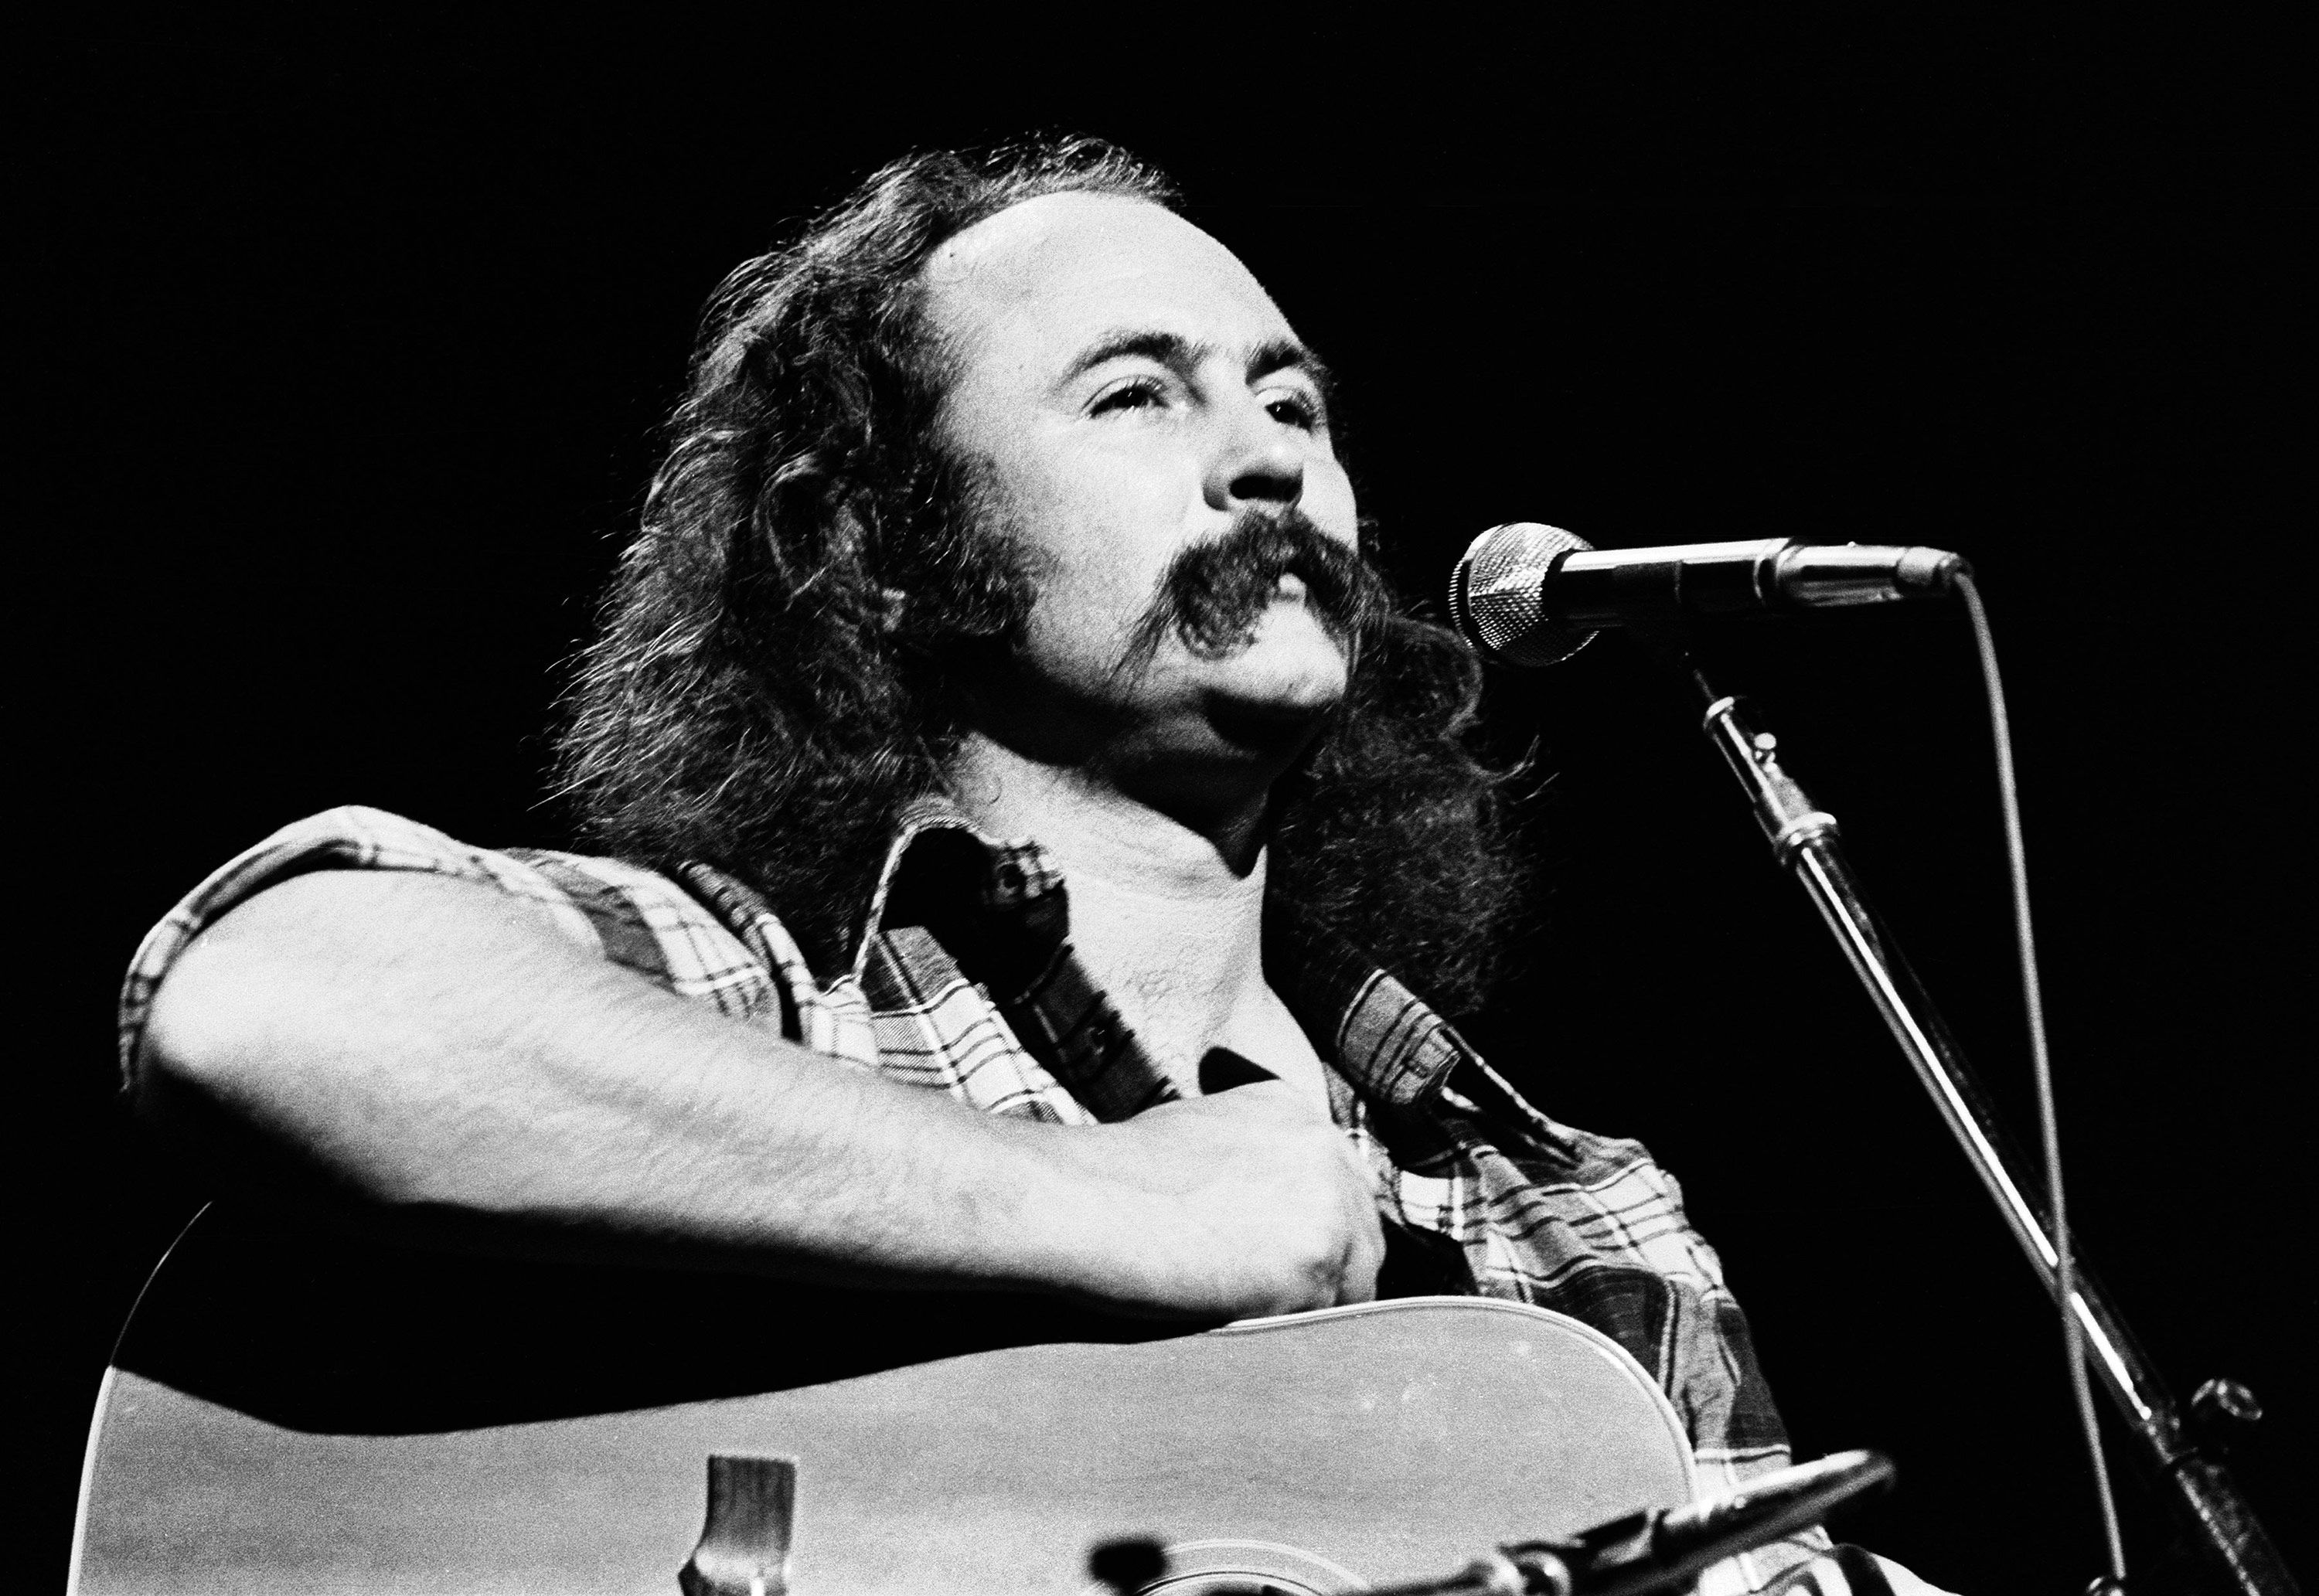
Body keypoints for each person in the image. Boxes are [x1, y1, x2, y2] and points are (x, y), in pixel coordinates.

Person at [120, 139, 1945, 1594]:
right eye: (1138, 397)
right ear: (881, 549)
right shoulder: (780, 1000)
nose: (1265, 463)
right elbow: (270, 1004)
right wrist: (1129, 1208)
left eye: (1294, 406)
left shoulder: (1558, 1212)